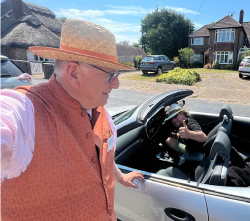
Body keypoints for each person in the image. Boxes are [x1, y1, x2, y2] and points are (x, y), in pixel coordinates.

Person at [0, 19, 143, 221]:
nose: (117, 84)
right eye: (111, 75)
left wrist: (119, 177)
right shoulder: (22, 112)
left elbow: (104, 156)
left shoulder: (101, 112)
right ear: (74, 73)